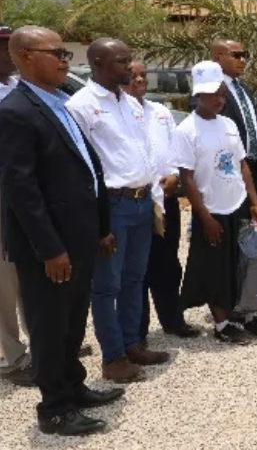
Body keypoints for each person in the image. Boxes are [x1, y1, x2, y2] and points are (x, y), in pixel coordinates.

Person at [0, 26, 122, 436]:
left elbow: (86, 167)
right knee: (50, 326)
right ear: (25, 56)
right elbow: (21, 189)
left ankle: (73, 386)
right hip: (50, 247)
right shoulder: (15, 112)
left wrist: (100, 227)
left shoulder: (60, 101)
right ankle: (54, 408)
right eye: (57, 53)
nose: (65, 61)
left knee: (71, 320)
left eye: (65, 54)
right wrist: (50, 248)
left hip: (79, 236)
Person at [67, 38, 166, 382]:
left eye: (129, 59)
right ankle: (112, 358)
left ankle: (131, 343)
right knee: (107, 285)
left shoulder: (130, 102)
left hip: (141, 200)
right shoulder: (81, 105)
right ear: (97, 62)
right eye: (121, 61)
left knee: (134, 278)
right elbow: (79, 168)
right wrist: (98, 223)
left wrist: (154, 200)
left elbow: (144, 152)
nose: (129, 66)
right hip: (112, 205)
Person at [175, 61, 257, 344]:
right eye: (212, 94)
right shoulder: (186, 130)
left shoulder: (228, 124)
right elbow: (187, 179)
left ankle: (246, 314)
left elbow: (242, 165)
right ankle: (222, 323)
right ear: (198, 95)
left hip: (238, 204)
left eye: (222, 94)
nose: (218, 99)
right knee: (215, 268)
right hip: (212, 211)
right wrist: (204, 218)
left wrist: (255, 202)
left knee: (244, 263)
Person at [123, 62, 200, 346]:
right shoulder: (119, 113)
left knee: (167, 263)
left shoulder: (161, 112)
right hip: (136, 200)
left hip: (165, 200)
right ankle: (137, 331)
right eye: (133, 76)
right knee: (137, 268)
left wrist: (176, 175)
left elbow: (176, 151)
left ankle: (172, 320)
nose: (139, 79)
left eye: (143, 75)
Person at [0, 24, 32, 387]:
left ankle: (41, 342)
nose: (9, 55)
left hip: (24, 193)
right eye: (3, 48)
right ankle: (12, 355)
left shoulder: (17, 88)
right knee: (4, 283)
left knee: (29, 273)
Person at [210, 39, 257, 192]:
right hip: (226, 169)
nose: (242, 60)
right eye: (236, 55)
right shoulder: (210, 90)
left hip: (251, 168)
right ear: (218, 57)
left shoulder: (243, 88)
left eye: (244, 55)